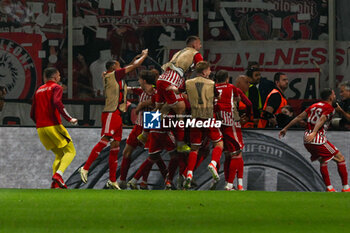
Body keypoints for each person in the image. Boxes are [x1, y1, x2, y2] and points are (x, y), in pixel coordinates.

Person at [79, 49, 148, 189]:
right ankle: (85, 168)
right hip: (111, 113)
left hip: (118, 114)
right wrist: (144, 56)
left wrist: (137, 56)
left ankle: (112, 180)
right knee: (105, 140)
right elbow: (132, 66)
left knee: (115, 146)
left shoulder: (117, 78)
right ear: (112, 68)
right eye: (118, 65)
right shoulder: (113, 75)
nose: (120, 67)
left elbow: (129, 66)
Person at [279, 88, 350, 192]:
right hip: (317, 138)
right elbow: (322, 119)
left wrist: (285, 128)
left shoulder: (313, 106)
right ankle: (346, 188)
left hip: (307, 140)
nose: (335, 96)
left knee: (323, 161)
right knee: (340, 158)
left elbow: (299, 117)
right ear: (330, 97)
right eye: (334, 95)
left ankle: (329, 188)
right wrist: (314, 132)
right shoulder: (329, 107)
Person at [30, 67, 78, 189]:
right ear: (55, 77)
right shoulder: (56, 87)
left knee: (60, 154)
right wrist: (69, 118)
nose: (60, 78)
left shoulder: (38, 90)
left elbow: (32, 113)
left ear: (45, 78)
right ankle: (58, 175)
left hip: (41, 128)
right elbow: (57, 102)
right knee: (71, 151)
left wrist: (40, 123)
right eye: (59, 75)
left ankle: (54, 184)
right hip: (53, 126)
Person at [155, 35, 203, 152]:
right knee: (181, 109)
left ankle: (147, 133)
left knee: (160, 108)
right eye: (199, 44)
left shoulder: (179, 52)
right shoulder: (195, 53)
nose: (200, 46)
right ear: (194, 45)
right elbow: (202, 68)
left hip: (162, 78)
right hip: (171, 82)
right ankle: (180, 143)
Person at [183, 61, 223, 189]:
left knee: (194, 149)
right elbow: (218, 97)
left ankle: (189, 174)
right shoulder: (211, 83)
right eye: (209, 70)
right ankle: (213, 163)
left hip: (195, 118)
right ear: (205, 71)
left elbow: (180, 93)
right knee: (218, 143)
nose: (210, 72)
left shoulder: (188, 83)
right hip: (208, 117)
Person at [215, 70, 251, 191]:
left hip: (217, 123)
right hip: (231, 122)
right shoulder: (232, 88)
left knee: (228, 154)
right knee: (237, 153)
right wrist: (248, 117)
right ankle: (232, 184)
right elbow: (249, 103)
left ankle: (233, 183)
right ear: (227, 79)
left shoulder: (213, 88)